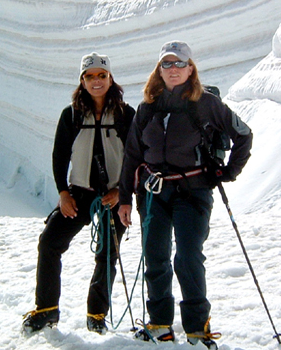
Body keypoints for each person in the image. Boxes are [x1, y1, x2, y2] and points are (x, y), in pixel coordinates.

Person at [118, 41, 252, 349]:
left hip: (193, 191)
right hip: (154, 193)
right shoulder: (148, 107)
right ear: (159, 70)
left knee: (188, 257)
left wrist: (228, 171)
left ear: (190, 69)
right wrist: (125, 197)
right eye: (167, 64)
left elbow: (243, 134)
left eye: (179, 64)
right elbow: (132, 155)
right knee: (155, 256)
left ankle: (196, 328)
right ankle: (160, 324)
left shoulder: (205, 103)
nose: (173, 69)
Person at [22, 52, 135, 334]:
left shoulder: (125, 114)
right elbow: (60, 155)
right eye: (90, 76)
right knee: (50, 242)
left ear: (110, 78)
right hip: (79, 194)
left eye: (101, 75)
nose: (96, 81)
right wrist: (63, 193)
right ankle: (46, 310)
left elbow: (137, 157)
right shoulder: (71, 114)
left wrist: (121, 192)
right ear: (82, 80)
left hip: (113, 196)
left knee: (106, 255)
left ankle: (96, 315)